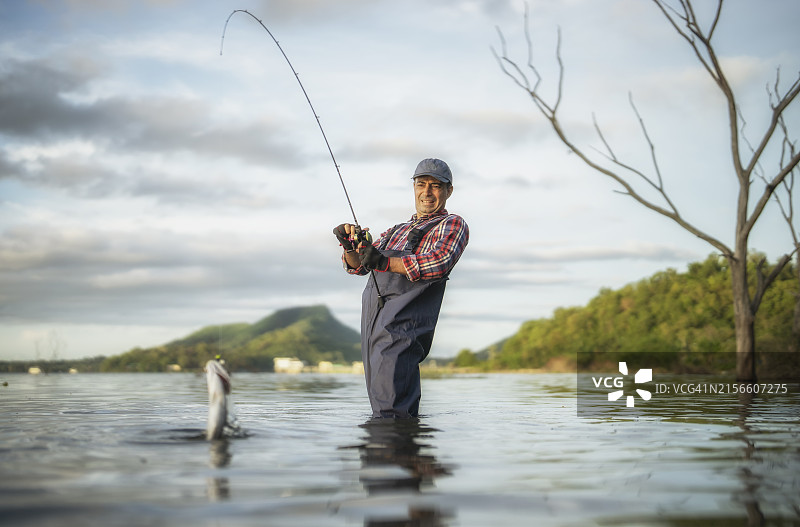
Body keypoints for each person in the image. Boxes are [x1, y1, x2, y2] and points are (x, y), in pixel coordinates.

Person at [333, 158, 469, 418]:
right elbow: (359, 267)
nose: (427, 192)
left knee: (392, 407)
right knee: (380, 402)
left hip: (405, 328)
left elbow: (438, 262)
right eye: (421, 184)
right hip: (373, 326)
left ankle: (399, 452)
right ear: (414, 187)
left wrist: (384, 260)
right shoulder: (395, 230)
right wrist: (350, 246)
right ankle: (393, 454)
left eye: (435, 185)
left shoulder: (451, 224)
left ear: (448, 191)